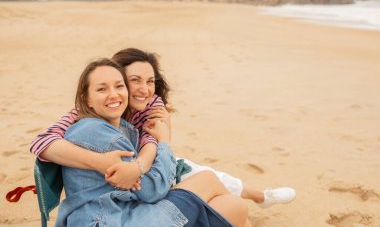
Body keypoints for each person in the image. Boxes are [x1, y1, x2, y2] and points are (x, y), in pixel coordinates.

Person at [30, 48, 295, 208]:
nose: (145, 89)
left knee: (210, 175)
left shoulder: (151, 104)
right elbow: (41, 143)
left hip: (153, 164)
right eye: (134, 81)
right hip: (129, 179)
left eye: (151, 81)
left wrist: (139, 166)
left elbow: (152, 142)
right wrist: (100, 162)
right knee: (210, 180)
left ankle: (261, 197)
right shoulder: (91, 109)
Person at [56, 58, 251, 226]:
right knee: (232, 204)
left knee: (222, 194)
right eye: (101, 89)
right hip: (112, 220)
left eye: (119, 86)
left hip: (119, 213)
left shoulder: (118, 126)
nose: (114, 94)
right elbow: (152, 191)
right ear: (86, 99)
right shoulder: (99, 133)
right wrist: (164, 139)